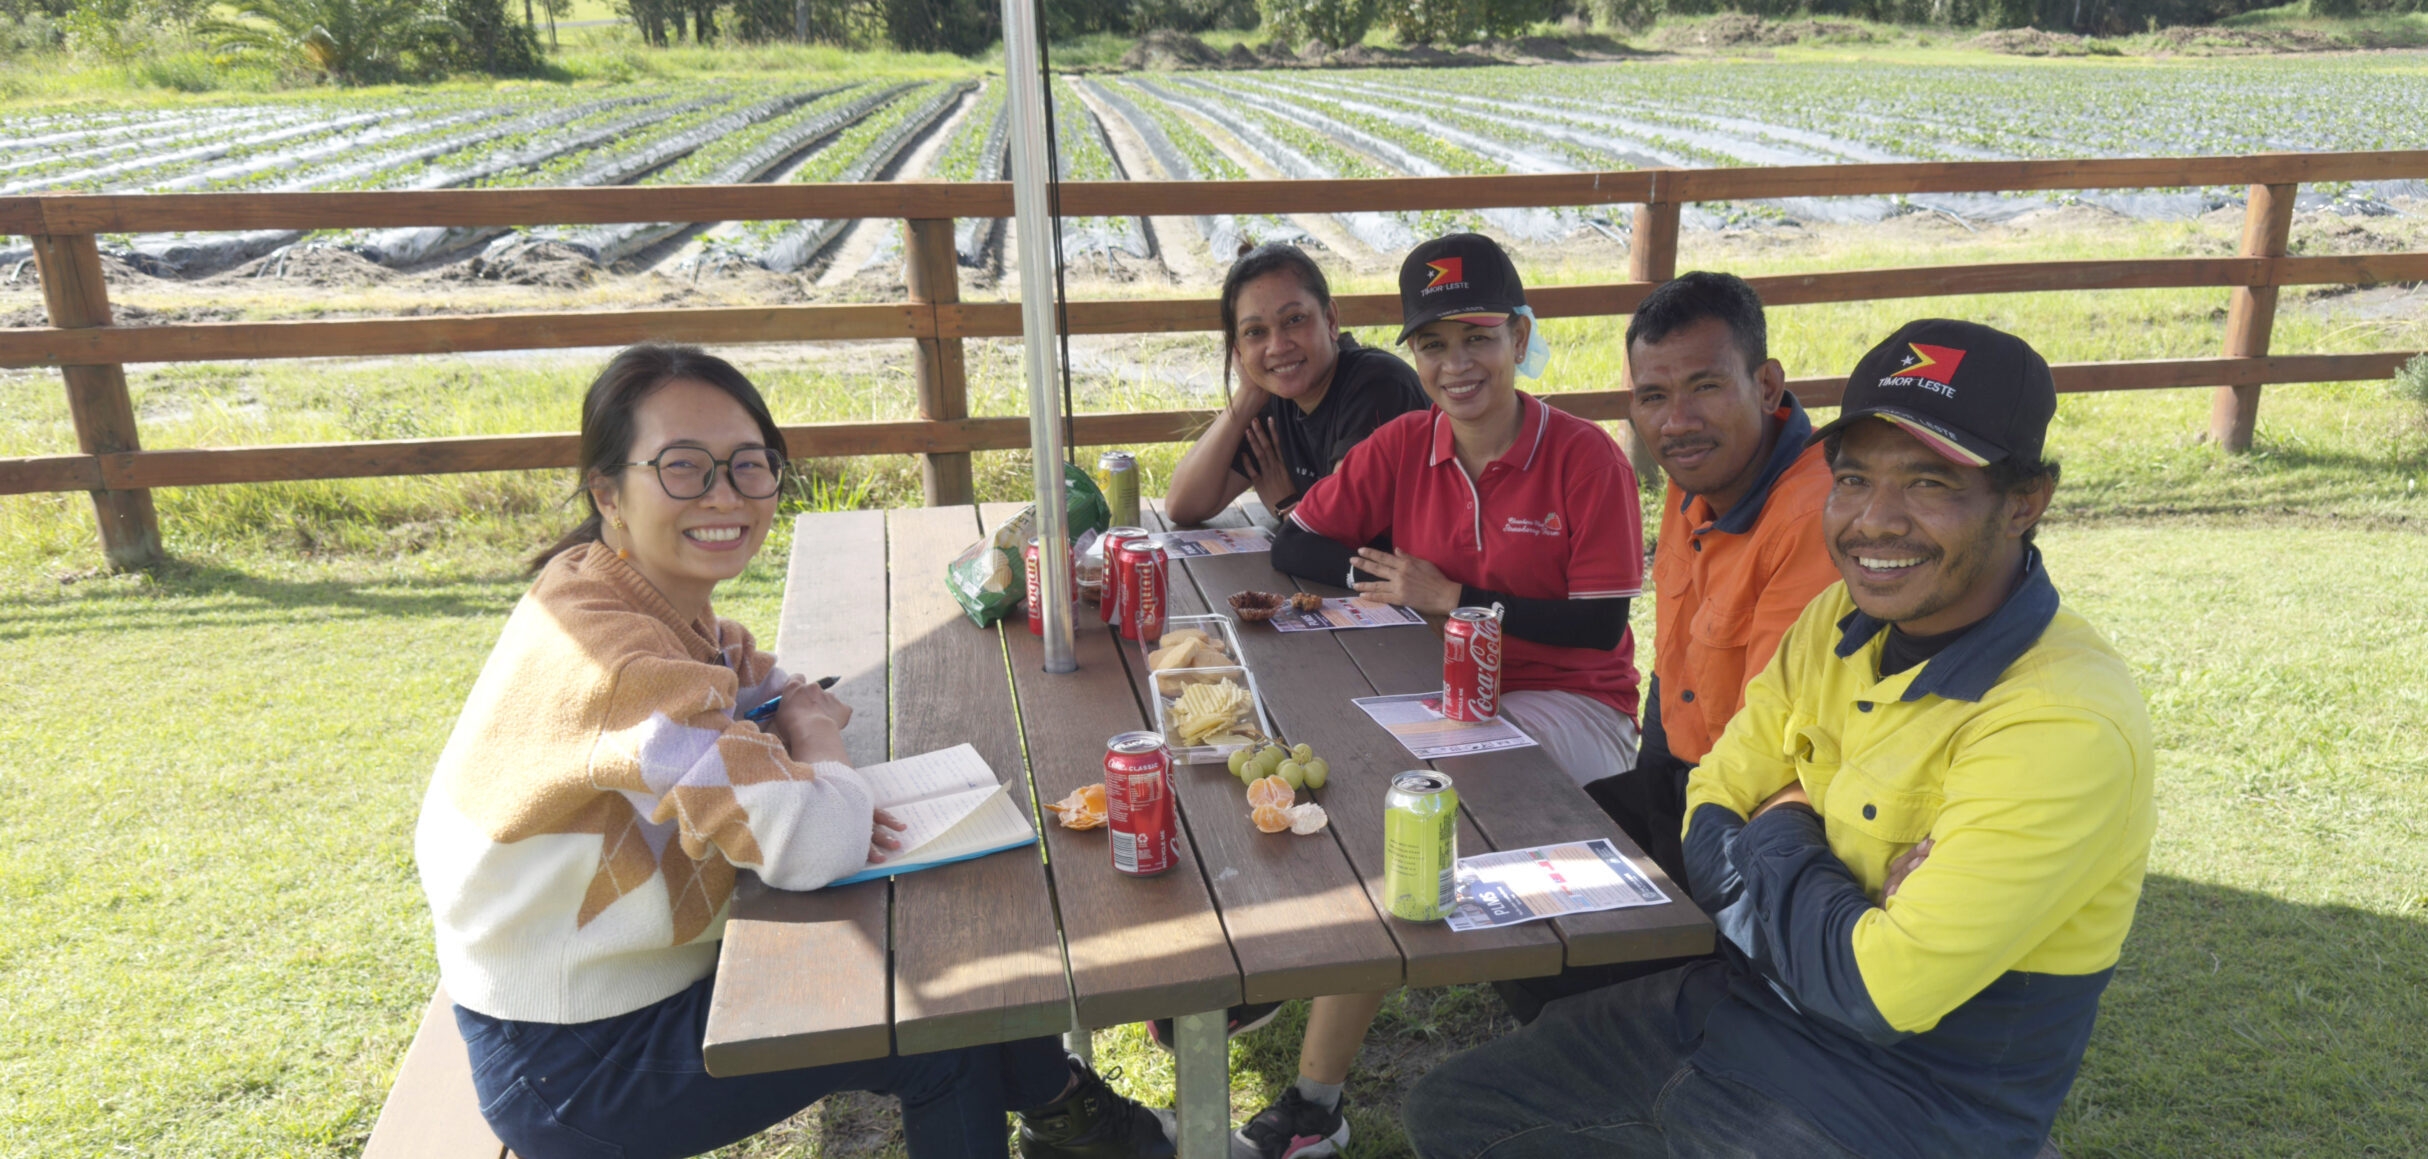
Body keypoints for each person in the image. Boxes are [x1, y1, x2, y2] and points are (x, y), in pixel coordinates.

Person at [1403, 320, 2157, 1159]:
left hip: (1906, 1098)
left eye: (1930, 482)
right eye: (1854, 477)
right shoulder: (1841, 615)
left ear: (2025, 500)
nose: (1876, 521)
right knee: (1454, 1111)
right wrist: (1830, 879)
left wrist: (1776, 818)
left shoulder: (2060, 721)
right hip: (1739, 1009)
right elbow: (1706, 799)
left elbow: (1878, 990)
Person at [415, 344, 1173, 1159]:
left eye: (749, 465)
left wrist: (787, 712)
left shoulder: (606, 585)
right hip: (574, 1058)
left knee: (940, 953)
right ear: (608, 490)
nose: (725, 494)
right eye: (683, 468)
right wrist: (812, 738)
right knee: (936, 1030)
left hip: (580, 995)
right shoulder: (621, 664)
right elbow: (815, 841)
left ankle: (1067, 1114)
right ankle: (1078, 1120)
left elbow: (736, 669)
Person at [1232, 234, 1646, 1159]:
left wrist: (1451, 597)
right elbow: (1298, 545)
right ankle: (1292, 997)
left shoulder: (1584, 458)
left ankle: (1311, 1101)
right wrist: (1382, 575)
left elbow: (1596, 629)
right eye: (1432, 345)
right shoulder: (1403, 442)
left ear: (1521, 337)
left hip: (1572, 704)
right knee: (1335, 767)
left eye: (1478, 338)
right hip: (1447, 693)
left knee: (1406, 808)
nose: (1456, 366)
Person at [1586, 270, 1841, 889]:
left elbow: (1770, 743)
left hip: (1757, 811)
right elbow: (1672, 667)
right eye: (1653, 397)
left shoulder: (1813, 516)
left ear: (1767, 385)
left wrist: (1682, 847)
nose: (1677, 422)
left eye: (1705, 386)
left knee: (1572, 960)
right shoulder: (1697, 473)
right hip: (1681, 770)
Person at [1162, 242, 1429, 526]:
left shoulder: (1377, 387)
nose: (1277, 346)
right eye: (1255, 332)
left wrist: (1288, 505)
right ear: (1238, 348)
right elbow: (1183, 506)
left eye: (1294, 319)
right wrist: (1247, 396)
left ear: (1330, 319)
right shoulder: (1276, 398)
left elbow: (1340, 527)